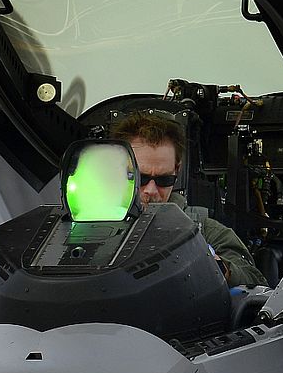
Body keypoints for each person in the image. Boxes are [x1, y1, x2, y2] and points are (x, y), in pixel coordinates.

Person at [110, 110, 265, 287]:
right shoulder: (83, 223)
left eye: (164, 179)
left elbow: (255, 281)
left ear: (177, 170)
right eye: (141, 178)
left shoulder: (205, 231)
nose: (151, 190)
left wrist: (219, 268)